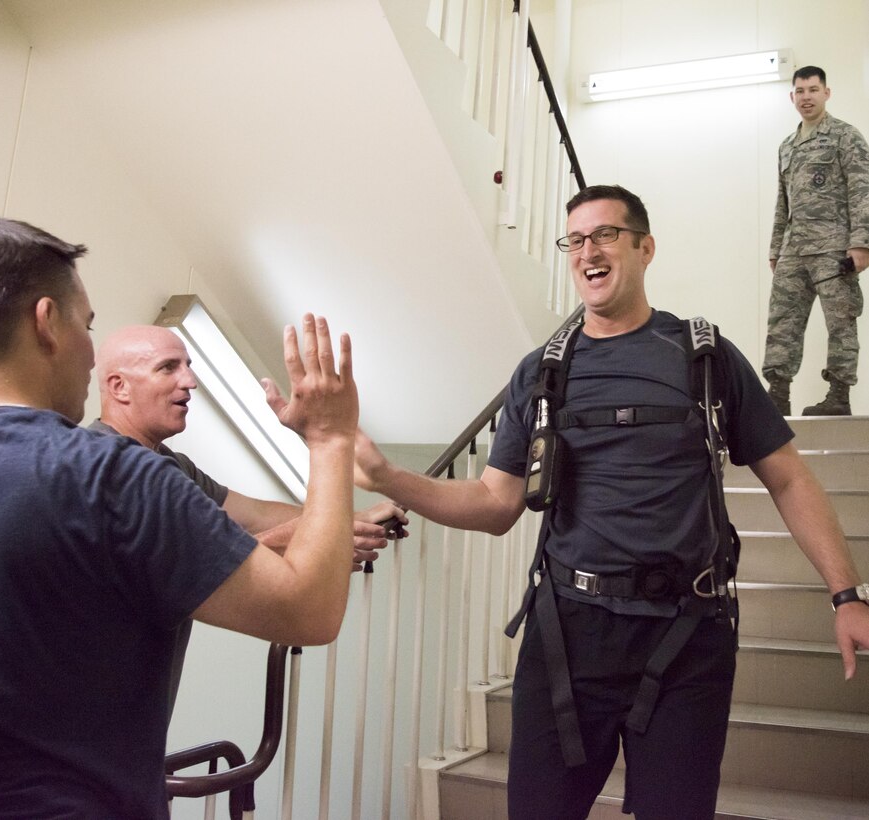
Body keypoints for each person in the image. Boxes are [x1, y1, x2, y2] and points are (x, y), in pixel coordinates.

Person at [354, 185, 869, 819]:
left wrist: (846, 595)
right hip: (567, 635)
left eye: (605, 235)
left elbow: (788, 477)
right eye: (574, 239)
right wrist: (386, 477)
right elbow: (494, 504)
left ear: (645, 248)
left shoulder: (705, 356)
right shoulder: (541, 373)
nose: (587, 252)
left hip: (688, 637)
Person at [0, 217, 361, 818]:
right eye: (87, 325)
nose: (91, 353)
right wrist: (330, 438)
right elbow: (308, 610)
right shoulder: (114, 479)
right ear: (46, 322)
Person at [89, 324, 407, 716]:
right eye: (168, 368)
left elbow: (253, 517)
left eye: (188, 366)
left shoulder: (170, 465)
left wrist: (345, 520)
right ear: (119, 386)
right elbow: (200, 558)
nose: (189, 381)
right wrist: (328, 443)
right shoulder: (115, 470)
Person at [763, 65, 869, 416]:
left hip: (834, 247)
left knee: (841, 321)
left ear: (827, 93)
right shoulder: (787, 145)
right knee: (782, 321)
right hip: (794, 248)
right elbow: (783, 200)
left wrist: (861, 243)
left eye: (813, 89)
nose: (806, 97)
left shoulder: (845, 136)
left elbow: (862, 191)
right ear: (792, 96)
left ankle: (838, 396)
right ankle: (777, 394)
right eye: (800, 91)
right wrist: (776, 247)